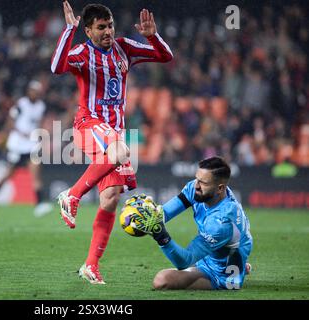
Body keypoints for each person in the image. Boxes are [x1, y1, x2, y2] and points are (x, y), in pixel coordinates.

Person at [51, 0, 173, 284]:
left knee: (111, 196)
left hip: (113, 130)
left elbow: (165, 57)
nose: (108, 31)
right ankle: (72, 195)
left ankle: (90, 266)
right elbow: (57, 67)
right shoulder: (82, 53)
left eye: (110, 26)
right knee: (120, 149)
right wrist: (69, 30)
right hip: (89, 124)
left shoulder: (124, 48)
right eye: (101, 27)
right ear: (88, 30)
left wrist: (152, 35)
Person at [131, 156, 253, 290]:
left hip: (222, 275)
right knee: (220, 250)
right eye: (197, 179)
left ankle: (236, 267)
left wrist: (160, 235)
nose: (196, 186)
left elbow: (184, 261)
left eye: (203, 183)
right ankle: (236, 259)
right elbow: (164, 213)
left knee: (162, 280)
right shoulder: (197, 189)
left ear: (220, 188)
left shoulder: (221, 222)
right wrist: (150, 211)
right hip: (212, 254)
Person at [0, 80, 53, 217]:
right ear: (29, 91)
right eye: (33, 90)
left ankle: (39, 204)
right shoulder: (21, 104)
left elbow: (39, 122)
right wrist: (20, 132)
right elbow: (10, 121)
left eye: (37, 91)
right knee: (9, 174)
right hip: (17, 144)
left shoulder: (41, 106)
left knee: (36, 173)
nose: (34, 93)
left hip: (31, 145)